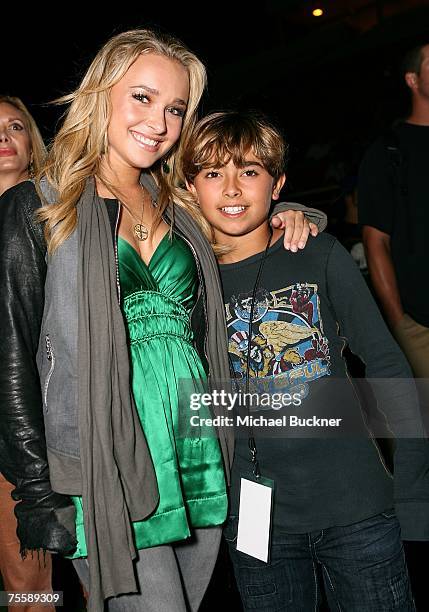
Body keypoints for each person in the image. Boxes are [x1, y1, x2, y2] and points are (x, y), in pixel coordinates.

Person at [0, 31, 326, 612]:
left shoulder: (181, 204)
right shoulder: (39, 205)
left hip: (196, 444)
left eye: (176, 108)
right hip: (105, 461)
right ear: (101, 95)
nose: (161, 122)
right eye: (143, 98)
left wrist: (294, 214)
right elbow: (12, 355)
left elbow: (244, 213)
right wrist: (33, 490)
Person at [182, 110, 429, 611]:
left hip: (357, 507)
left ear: (277, 185)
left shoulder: (318, 252)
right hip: (254, 525)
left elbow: (387, 364)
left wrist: (411, 492)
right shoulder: (186, 283)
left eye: (249, 171)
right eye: (213, 173)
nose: (232, 188)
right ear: (191, 188)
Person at [0, 95, 55, 612]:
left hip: (58, 415)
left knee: (40, 581)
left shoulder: (61, 209)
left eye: (16, 125)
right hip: (10, 425)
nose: (5, 135)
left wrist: (284, 213)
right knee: (24, 580)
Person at [358, 41, 429, 385]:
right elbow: (375, 243)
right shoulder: (387, 152)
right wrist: (402, 326)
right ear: (413, 80)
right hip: (422, 323)